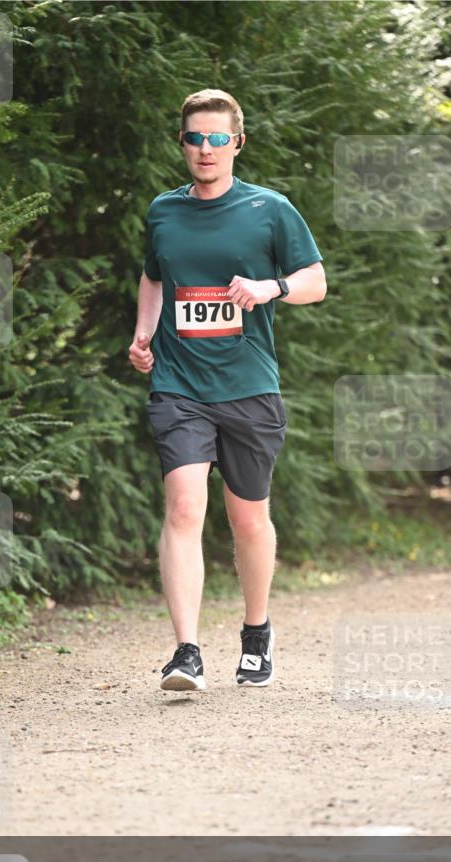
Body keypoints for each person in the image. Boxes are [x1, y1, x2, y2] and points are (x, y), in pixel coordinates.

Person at [128, 88, 326, 692]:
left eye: (218, 138)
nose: (206, 149)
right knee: (185, 506)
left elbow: (315, 280)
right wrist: (143, 334)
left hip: (248, 385)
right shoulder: (164, 211)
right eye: (195, 138)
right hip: (179, 384)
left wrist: (272, 289)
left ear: (237, 143)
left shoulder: (270, 209)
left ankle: (256, 633)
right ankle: (186, 651)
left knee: (248, 520)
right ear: (182, 144)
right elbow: (153, 276)